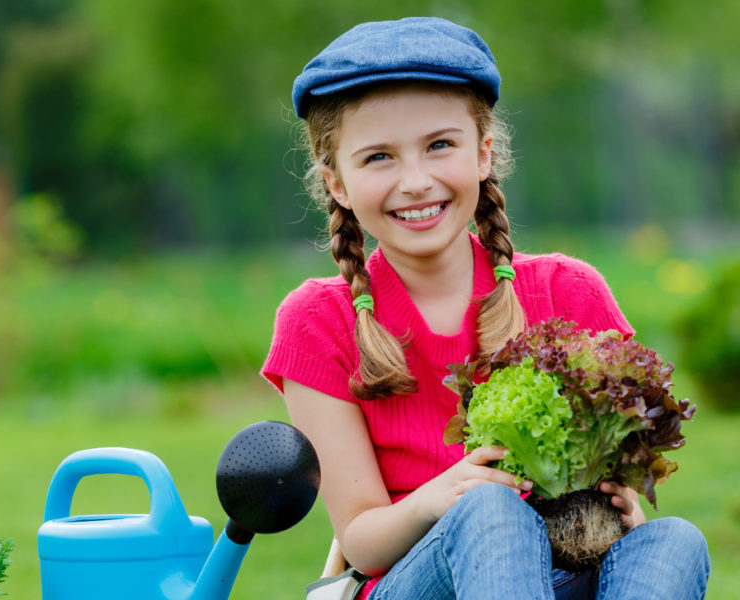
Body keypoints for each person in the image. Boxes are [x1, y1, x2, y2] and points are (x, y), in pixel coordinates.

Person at [262, 17, 710, 600]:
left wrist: (624, 504)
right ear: (337, 183)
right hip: (413, 581)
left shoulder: (567, 291)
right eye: (378, 158)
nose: (416, 181)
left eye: (440, 145)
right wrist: (444, 495)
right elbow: (362, 540)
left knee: (676, 540)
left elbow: (623, 482)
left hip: (567, 575)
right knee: (491, 511)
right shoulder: (319, 320)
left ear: (483, 153)